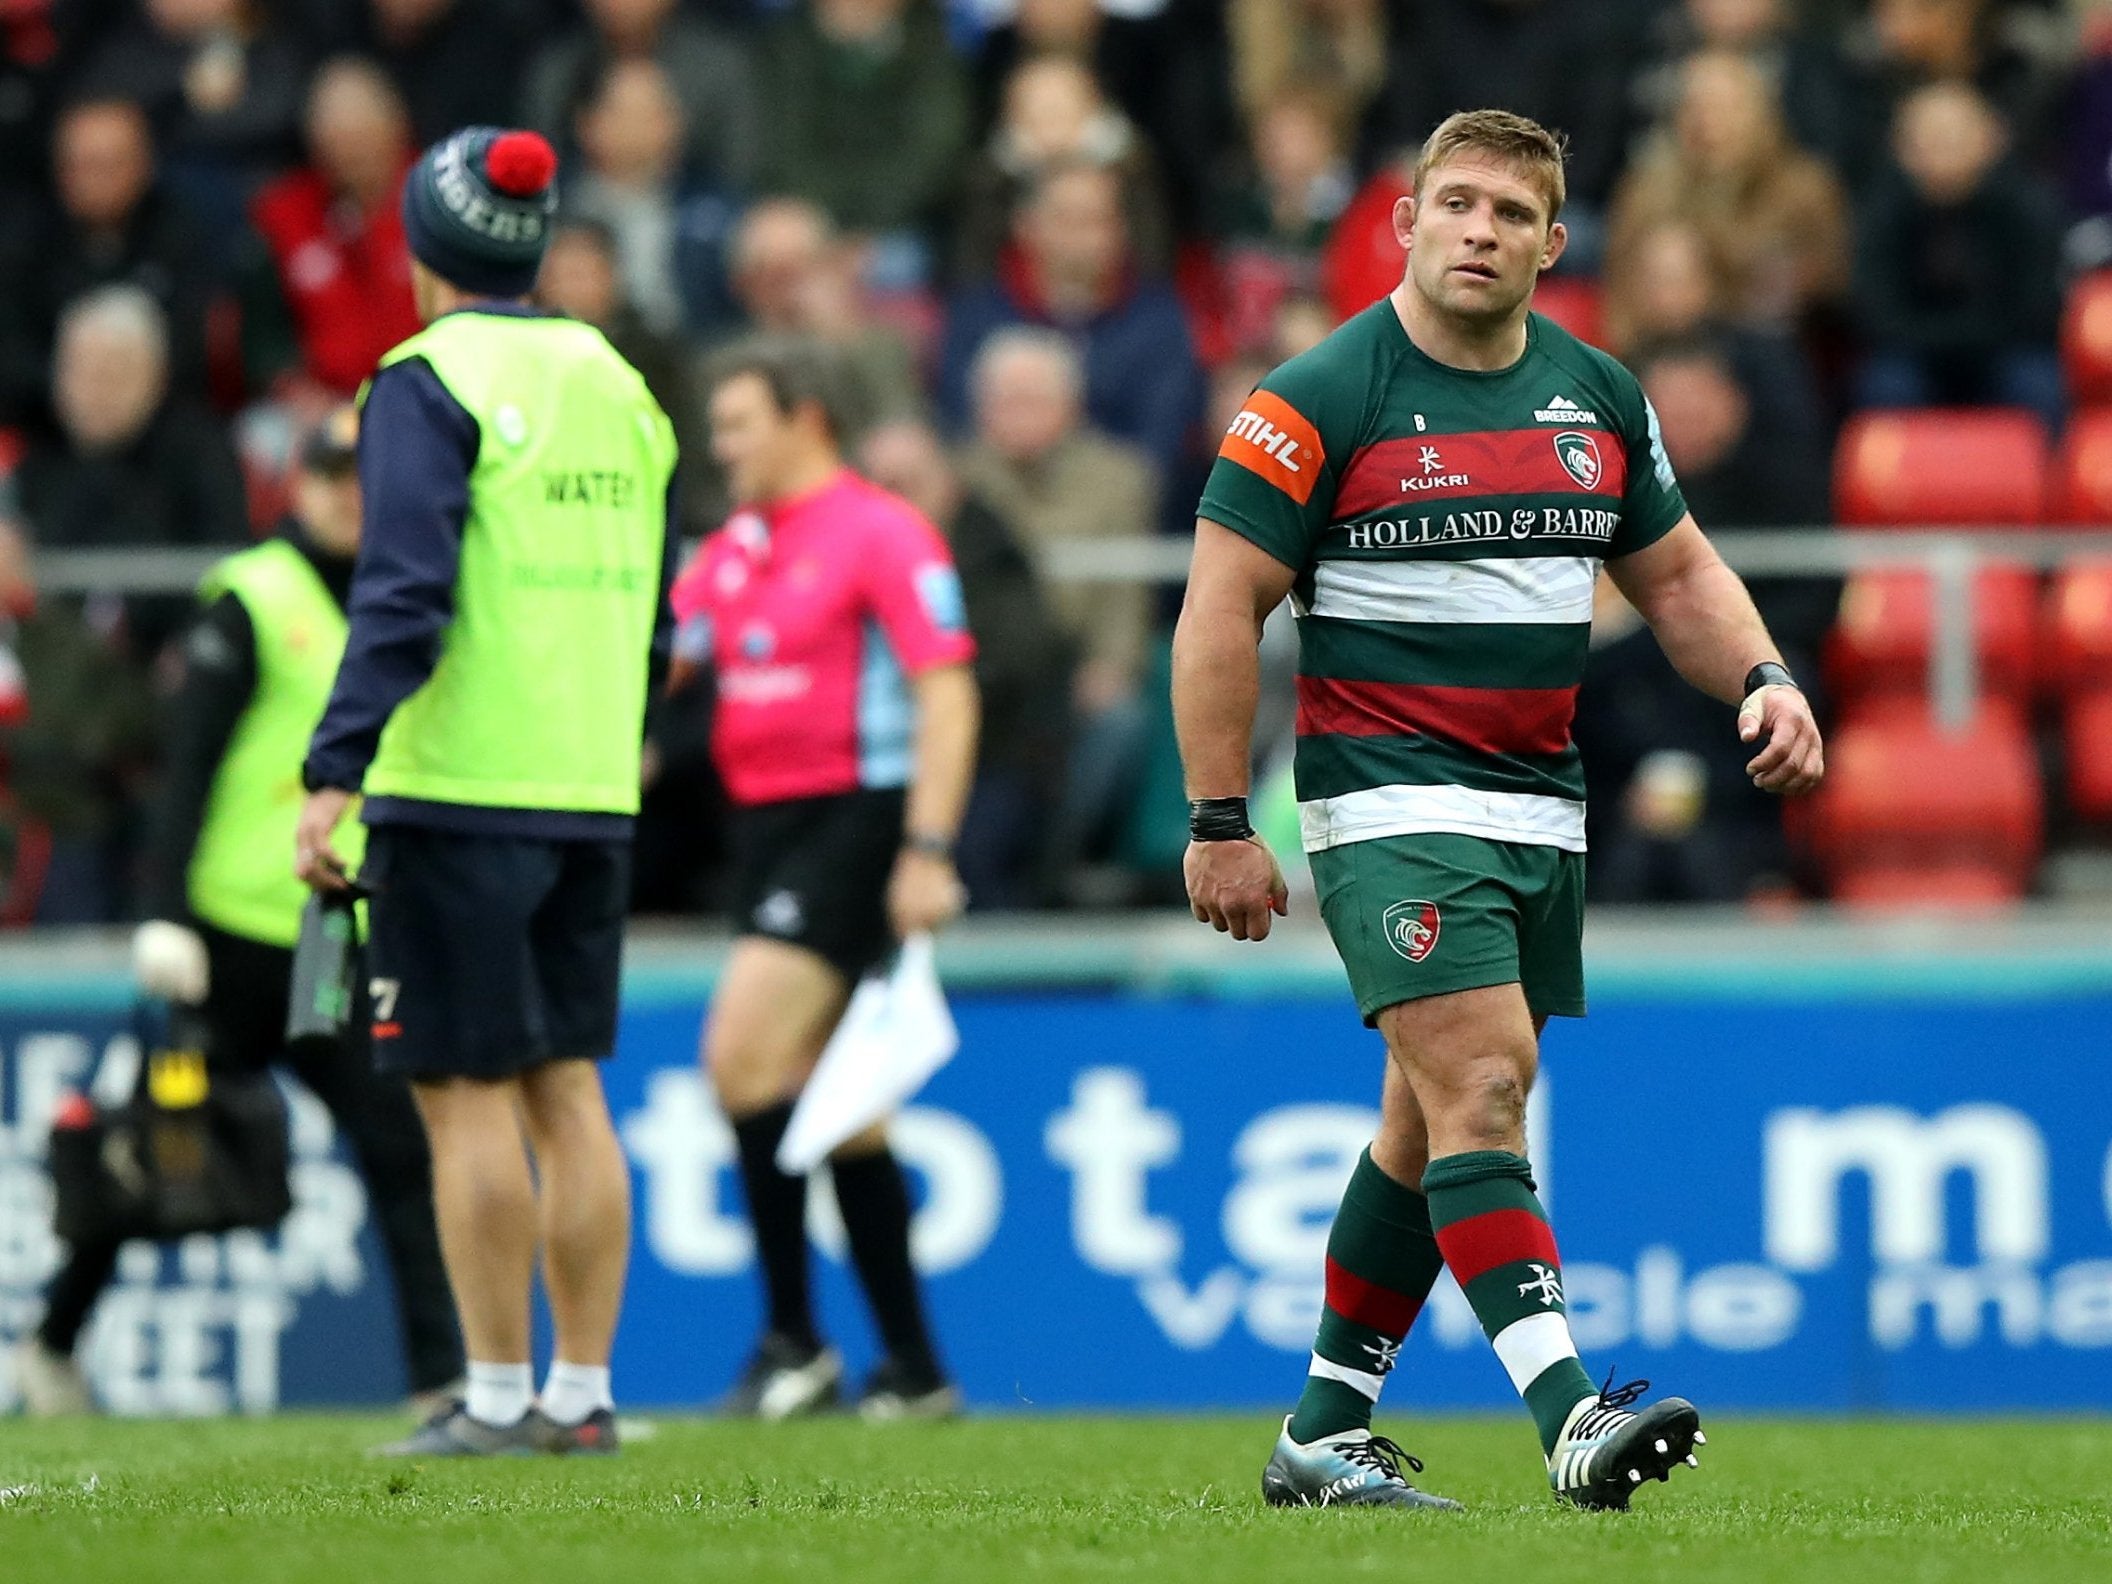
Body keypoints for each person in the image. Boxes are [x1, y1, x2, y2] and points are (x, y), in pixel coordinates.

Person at [1174, 109, 1824, 1511]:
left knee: (1422, 1122)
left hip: (1538, 806)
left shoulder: (1596, 395)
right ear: (1403, 223)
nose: (1480, 230)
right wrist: (1221, 817)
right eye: (1456, 204)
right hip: (1385, 797)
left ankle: (1323, 1433)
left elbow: (1681, 577)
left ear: (1552, 242)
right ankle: (1572, 1416)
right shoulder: (1316, 397)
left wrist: (1766, 678)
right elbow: (1221, 608)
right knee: (1483, 1084)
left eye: (1511, 214)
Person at [293, 126, 679, 1456]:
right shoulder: (621, 383)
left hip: (456, 788)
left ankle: (499, 1395)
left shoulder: (423, 378)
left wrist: (331, 768)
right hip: (588, 787)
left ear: (422, 250)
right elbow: (659, 621)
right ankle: (583, 1395)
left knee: (462, 1094)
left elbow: (402, 595)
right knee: (567, 1086)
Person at [10, 409, 466, 1418]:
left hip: (326, 944)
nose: (350, 491)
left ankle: (442, 1379)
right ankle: (50, 1347)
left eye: (368, 473)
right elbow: (185, 773)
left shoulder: (415, 599)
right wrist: (163, 911)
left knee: (398, 1144)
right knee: (159, 1148)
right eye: (332, 472)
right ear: (296, 483)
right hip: (220, 941)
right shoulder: (253, 600)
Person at [669, 338, 979, 1421]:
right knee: (847, 1107)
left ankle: (795, 1342)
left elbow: (947, 692)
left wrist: (926, 850)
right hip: (762, 826)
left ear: (807, 419)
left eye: (739, 423)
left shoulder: (882, 532)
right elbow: (663, 653)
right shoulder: (736, 545)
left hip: (856, 818)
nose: (722, 446)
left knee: (741, 1056)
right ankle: (916, 1369)